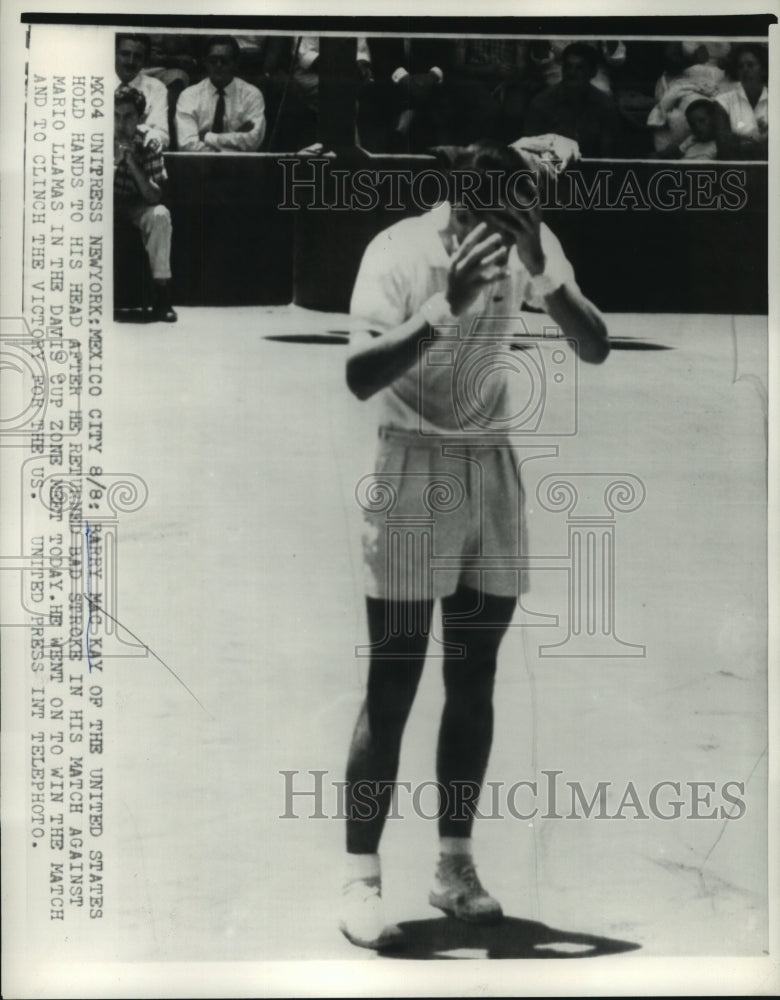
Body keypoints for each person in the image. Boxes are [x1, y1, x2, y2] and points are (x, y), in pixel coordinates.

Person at [341, 142, 610, 950]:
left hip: (491, 465)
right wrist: (443, 306)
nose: (507, 237)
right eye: (492, 221)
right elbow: (358, 374)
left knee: (476, 672)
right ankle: (359, 878)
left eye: (520, 219)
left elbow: (594, 345)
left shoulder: (531, 237)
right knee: (394, 682)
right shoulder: (395, 253)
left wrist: (546, 270)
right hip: (410, 467)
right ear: (457, 210)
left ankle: (454, 866)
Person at [114, 85, 177, 323]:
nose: (121, 123)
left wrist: (130, 161)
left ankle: (162, 297)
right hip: (99, 204)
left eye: (128, 116)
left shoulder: (150, 140)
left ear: (140, 118)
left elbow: (154, 196)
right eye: (116, 115)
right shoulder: (94, 136)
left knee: (160, 215)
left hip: (136, 204)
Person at [521, 42, 621, 157]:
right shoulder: (541, 104)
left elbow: (607, 156)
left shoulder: (605, 106)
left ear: (592, 72)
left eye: (579, 68)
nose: (572, 73)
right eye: (568, 67)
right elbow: (529, 154)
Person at [175, 35, 266, 152]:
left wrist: (208, 137)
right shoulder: (188, 96)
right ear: (205, 63)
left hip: (240, 166)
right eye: (213, 61)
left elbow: (253, 139)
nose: (218, 65)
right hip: (200, 166)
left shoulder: (252, 95)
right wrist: (235, 140)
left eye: (224, 61)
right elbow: (187, 144)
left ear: (236, 63)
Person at [115, 33, 170, 150]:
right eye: (125, 54)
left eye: (137, 56)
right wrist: (142, 128)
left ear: (145, 61)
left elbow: (162, 136)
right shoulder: (99, 83)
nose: (130, 61)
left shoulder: (156, 88)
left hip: (138, 156)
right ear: (114, 54)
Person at [715, 43, 769, 159]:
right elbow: (724, 148)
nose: (745, 70)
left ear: (763, 69)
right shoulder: (723, 101)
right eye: (740, 66)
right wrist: (763, 142)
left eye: (750, 65)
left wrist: (739, 140)